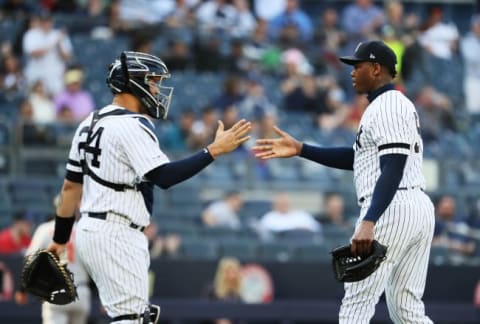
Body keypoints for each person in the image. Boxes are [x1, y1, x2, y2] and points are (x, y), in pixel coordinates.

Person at [46, 51, 251, 324]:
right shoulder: (131, 123)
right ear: (133, 83)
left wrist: (60, 239)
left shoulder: (89, 122)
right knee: (132, 319)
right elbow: (163, 176)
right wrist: (212, 150)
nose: (156, 89)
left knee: (131, 316)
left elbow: (70, 189)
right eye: (152, 81)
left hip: (91, 230)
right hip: (116, 231)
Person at [254, 40, 435, 323]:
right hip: (412, 205)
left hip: (392, 206)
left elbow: (393, 166)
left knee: (356, 305)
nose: (351, 72)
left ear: (376, 69)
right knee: (407, 311)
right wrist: (302, 149)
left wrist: (370, 220)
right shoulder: (388, 105)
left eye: (357, 66)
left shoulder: (388, 105)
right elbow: (359, 158)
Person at [14, 195, 91, 324]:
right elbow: (94, 265)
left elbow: (30, 261)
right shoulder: (83, 230)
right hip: (81, 292)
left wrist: (22, 289)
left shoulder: (45, 229)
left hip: (55, 291)